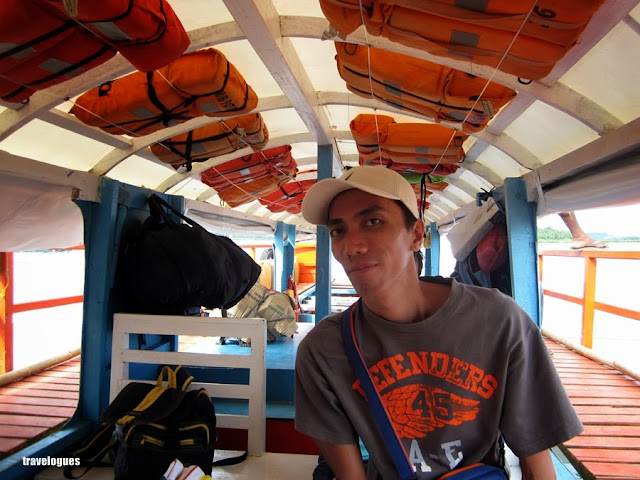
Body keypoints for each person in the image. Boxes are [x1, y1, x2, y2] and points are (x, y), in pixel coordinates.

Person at [294, 165, 583, 480]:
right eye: (338, 231)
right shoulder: (325, 350)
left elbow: (537, 462)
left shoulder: (498, 320)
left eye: (373, 222)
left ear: (416, 235)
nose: (352, 247)